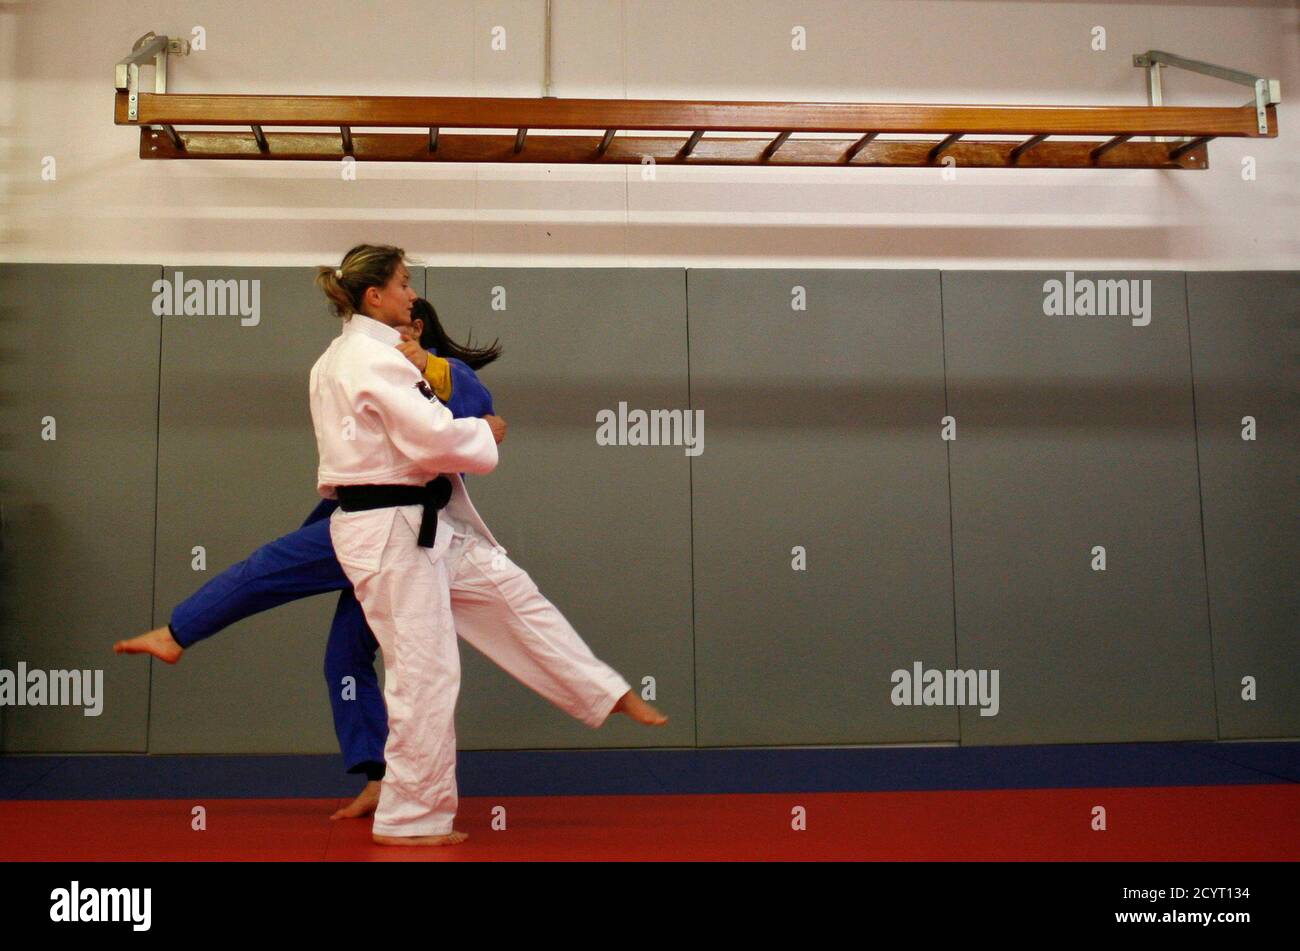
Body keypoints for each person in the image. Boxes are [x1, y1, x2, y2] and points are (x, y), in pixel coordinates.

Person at [118, 246, 666, 845]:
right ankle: (410, 818)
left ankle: (602, 690)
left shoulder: (367, 357)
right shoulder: (366, 360)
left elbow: (439, 423)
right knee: (422, 671)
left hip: (419, 522)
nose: (412, 294)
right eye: (404, 283)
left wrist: (465, 415)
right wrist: (483, 434)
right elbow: (431, 440)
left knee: (510, 595)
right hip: (389, 528)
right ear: (374, 295)